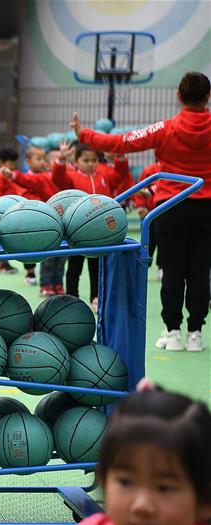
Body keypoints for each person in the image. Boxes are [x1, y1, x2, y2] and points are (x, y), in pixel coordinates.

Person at [73, 71, 211, 352]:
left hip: (171, 206)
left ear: (178, 96)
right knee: (200, 271)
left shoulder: (165, 129)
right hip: (207, 207)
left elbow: (122, 142)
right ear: (208, 97)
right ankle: (195, 333)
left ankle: (172, 332)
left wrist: (84, 134)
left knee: (172, 270)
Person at [39, 387, 211, 525]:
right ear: (105, 482)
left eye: (164, 488)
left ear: (205, 503)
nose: (141, 505)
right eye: (126, 482)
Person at [51, 141, 130, 308]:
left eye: (94, 160)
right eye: (86, 160)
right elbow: (58, 179)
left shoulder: (104, 175)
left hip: (98, 232)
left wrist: (121, 158)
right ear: (76, 161)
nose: (90, 164)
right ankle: (71, 299)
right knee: (74, 267)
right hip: (77, 232)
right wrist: (61, 160)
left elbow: (120, 176)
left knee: (97, 268)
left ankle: (96, 297)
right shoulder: (72, 176)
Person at [0, 144, 64, 295]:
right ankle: (43, 281)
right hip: (33, 219)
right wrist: (12, 175)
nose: (43, 162)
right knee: (40, 251)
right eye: (39, 159)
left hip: (54, 219)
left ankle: (58, 283)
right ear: (28, 161)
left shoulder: (49, 177)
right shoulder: (29, 178)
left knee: (61, 256)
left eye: (44, 159)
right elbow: (24, 183)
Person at [0, 145, 27, 275]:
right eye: (11, 163)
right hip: (3, 214)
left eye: (15, 163)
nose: (13, 166)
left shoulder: (10, 176)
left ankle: (4, 263)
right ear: (0, 163)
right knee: (3, 240)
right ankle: (2, 264)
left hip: (11, 212)